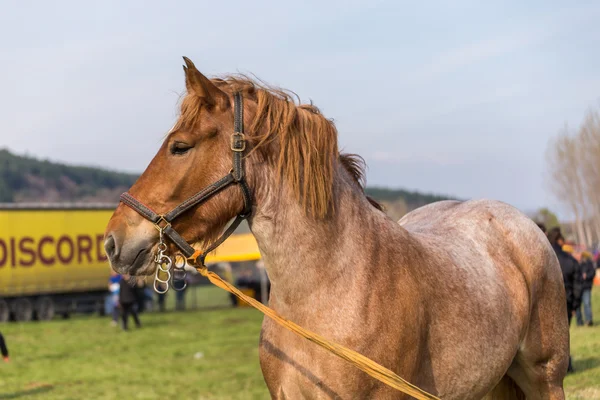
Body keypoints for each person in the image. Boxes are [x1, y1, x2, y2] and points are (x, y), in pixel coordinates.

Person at [547, 227, 582, 373]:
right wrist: (575, 305)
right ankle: (567, 364)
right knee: (564, 335)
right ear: (560, 241)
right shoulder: (570, 260)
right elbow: (577, 286)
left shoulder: (545, 259)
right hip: (566, 302)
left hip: (547, 304)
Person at [577, 251, 596, 326]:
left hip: (586, 287)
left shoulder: (588, 263)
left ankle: (589, 320)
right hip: (578, 287)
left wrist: (586, 276)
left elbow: (592, 272)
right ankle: (579, 322)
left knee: (587, 303)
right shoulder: (576, 263)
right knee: (578, 305)